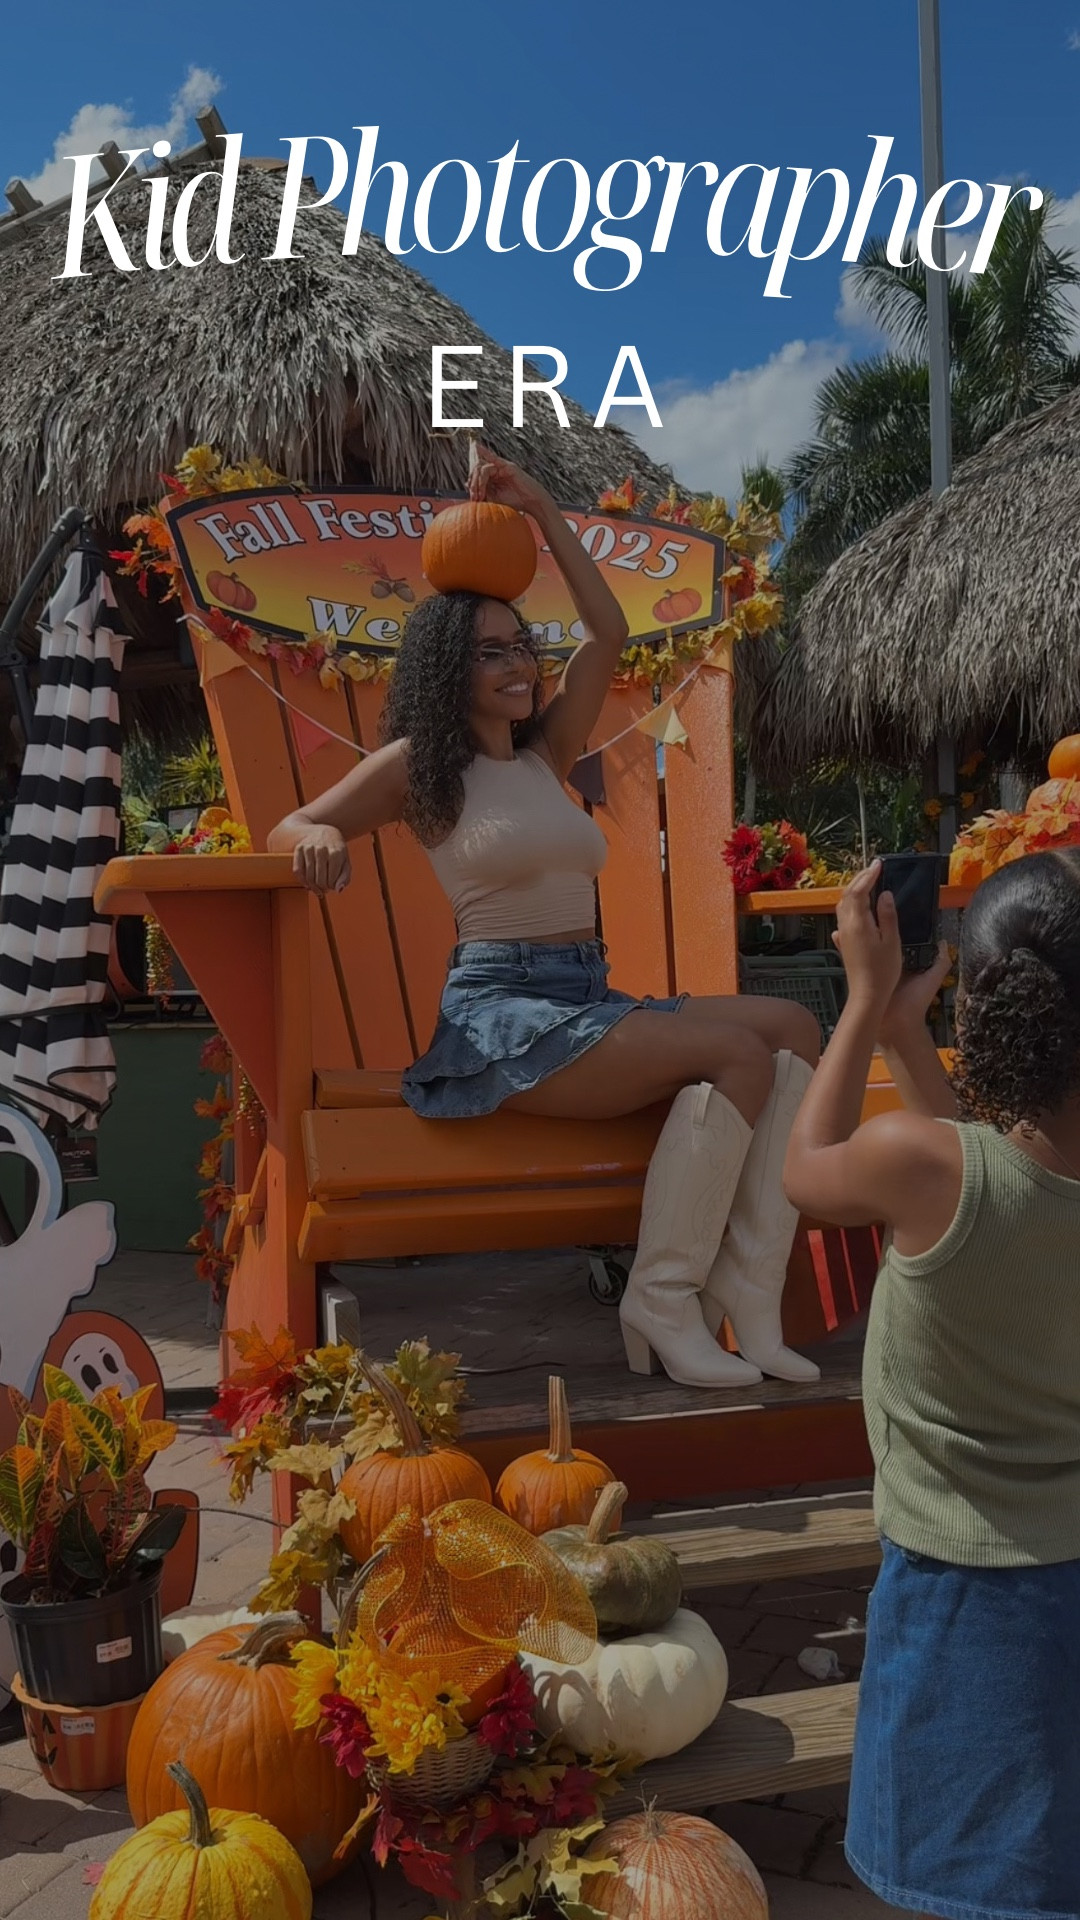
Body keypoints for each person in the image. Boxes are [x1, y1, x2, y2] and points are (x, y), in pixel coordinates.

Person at [269, 445, 820, 1391]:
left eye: (521, 646)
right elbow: (300, 821)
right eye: (490, 652)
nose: (518, 665)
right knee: (735, 1055)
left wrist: (540, 510)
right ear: (449, 666)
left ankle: (749, 1294)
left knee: (794, 1030)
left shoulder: (543, 756)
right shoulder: (422, 768)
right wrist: (309, 842)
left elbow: (605, 631)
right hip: (504, 1015)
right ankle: (662, 1295)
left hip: (587, 995)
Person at [784, 853, 1080, 1920]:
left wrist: (866, 1002)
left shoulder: (919, 1168)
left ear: (988, 1003)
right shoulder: (952, 1168)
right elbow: (999, 1163)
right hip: (1067, 1564)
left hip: (960, 1597)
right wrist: (911, 1036)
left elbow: (803, 1167)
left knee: (964, 1887)